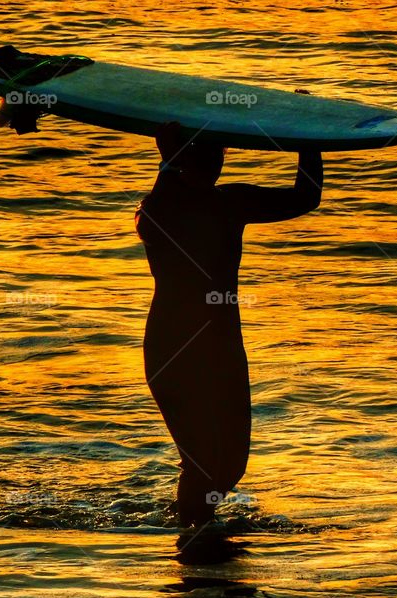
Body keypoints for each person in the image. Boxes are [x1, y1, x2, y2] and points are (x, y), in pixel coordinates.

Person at [135, 120, 323, 527]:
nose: (213, 167)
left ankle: (191, 530)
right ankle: (193, 547)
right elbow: (161, 210)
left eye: (217, 158)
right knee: (202, 464)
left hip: (221, 346)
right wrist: (168, 160)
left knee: (230, 467)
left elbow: (305, 198)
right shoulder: (159, 211)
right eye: (202, 159)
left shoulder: (230, 202)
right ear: (181, 163)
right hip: (174, 347)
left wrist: (309, 139)